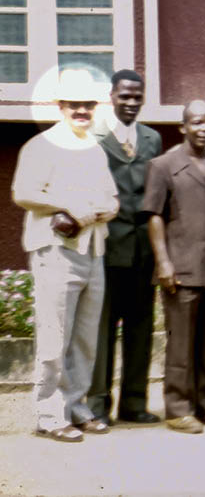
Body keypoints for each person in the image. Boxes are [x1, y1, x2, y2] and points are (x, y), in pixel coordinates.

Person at [12, 69, 119, 441]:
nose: (81, 110)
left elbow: (112, 199)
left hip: (94, 250)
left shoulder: (94, 148)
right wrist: (70, 205)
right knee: (55, 337)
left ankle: (76, 406)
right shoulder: (41, 146)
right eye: (74, 104)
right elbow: (23, 192)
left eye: (88, 104)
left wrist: (101, 209)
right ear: (60, 106)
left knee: (86, 337)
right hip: (55, 251)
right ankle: (49, 414)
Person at [142, 100, 205, 434]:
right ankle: (178, 407)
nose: (204, 129)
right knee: (181, 340)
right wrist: (164, 262)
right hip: (181, 267)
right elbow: (154, 216)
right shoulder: (163, 165)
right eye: (196, 122)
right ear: (183, 127)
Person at [87, 69, 163, 426]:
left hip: (143, 252)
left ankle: (134, 402)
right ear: (111, 97)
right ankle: (98, 404)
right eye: (125, 96)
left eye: (137, 97)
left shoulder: (152, 139)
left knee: (140, 327)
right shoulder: (94, 137)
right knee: (102, 329)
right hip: (106, 248)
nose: (131, 103)